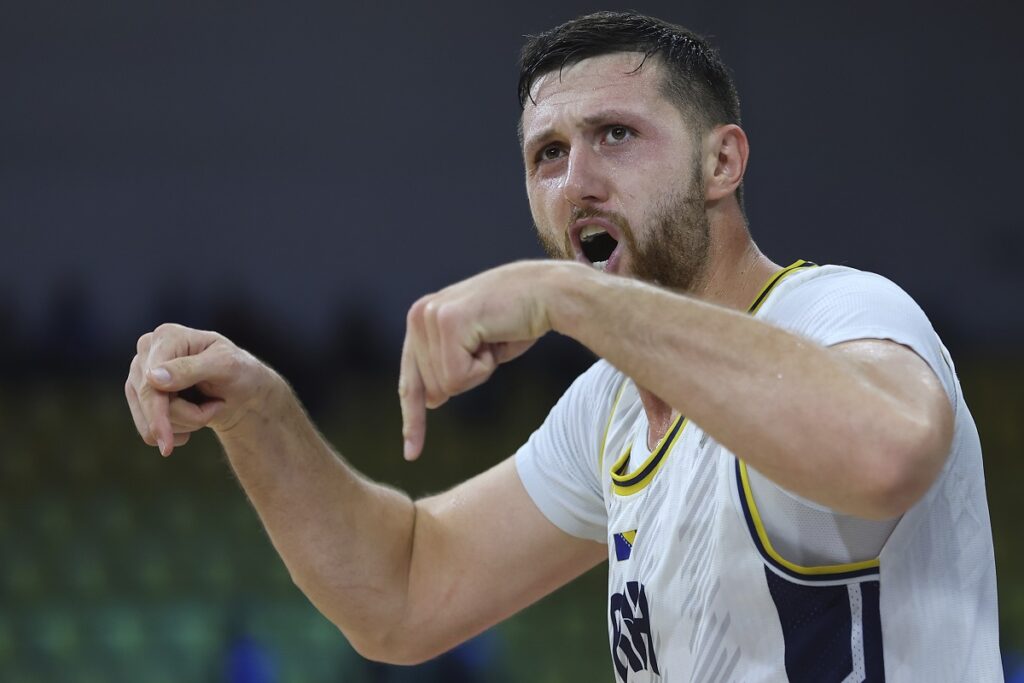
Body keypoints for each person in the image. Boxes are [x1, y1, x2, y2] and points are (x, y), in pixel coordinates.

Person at [123, 11, 1001, 682]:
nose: (576, 181)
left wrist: (563, 293)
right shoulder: (610, 412)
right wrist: (262, 413)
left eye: (616, 135)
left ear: (721, 162)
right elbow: (404, 592)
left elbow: (888, 453)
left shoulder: (839, 308)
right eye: (547, 153)